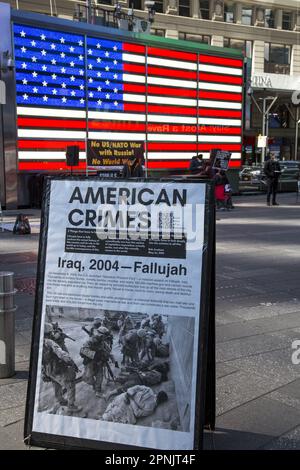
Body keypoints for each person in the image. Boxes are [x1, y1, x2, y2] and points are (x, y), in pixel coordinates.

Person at [41, 323, 81, 413]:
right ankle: (71, 406)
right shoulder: (50, 342)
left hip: (48, 370)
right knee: (70, 385)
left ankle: (60, 400)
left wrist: (43, 373)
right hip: (56, 368)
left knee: (56, 384)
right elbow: (60, 353)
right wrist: (70, 361)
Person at [101, 385, 168, 424]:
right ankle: (103, 419)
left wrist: (130, 399)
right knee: (114, 407)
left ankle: (103, 419)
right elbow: (137, 387)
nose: (155, 397)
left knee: (114, 413)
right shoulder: (148, 390)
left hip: (129, 409)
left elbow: (137, 413)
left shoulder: (151, 408)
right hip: (126, 397)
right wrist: (129, 393)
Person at [80, 326, 115, 397]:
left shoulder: (102, 342)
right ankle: (93, 384)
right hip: (90, 362)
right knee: (89, 378)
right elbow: (83, 351)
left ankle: (98, 390)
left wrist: (111, 358)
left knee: (100, 376)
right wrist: (96, 356)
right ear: (101, 335)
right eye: (104, 336)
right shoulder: (90, 341)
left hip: (99, 362)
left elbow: (108, 350)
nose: (105, 338)